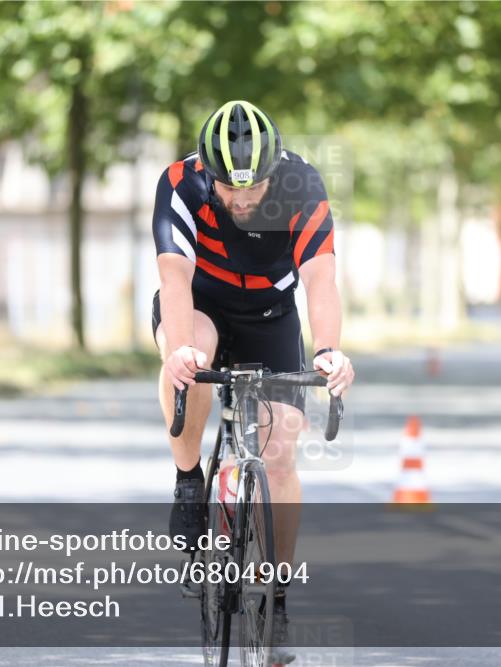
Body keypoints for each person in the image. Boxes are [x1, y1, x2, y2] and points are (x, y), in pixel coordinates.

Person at [150, 100, 355, 660]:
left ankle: (277, 598)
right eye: (227, 188)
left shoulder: (302, 185)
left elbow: (320, 279)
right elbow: (174, 278)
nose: (239, 200)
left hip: (270, 314)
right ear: (206, 172)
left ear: (275, 171)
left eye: (252, 189)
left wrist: (330, 350)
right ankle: (189, 477)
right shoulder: (179, 184)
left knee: (281, 449)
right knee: (192, 357)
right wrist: (178, 352)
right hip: (201, 304)